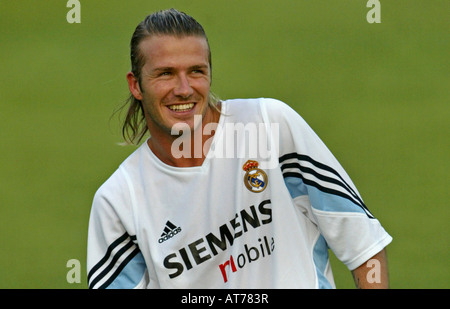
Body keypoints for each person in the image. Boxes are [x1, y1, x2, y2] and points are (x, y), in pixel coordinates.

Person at [87, 8, 392, 289]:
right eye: (165, 73)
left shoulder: (268, 127)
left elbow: (364, 246)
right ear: (136, 85)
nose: (183, 88)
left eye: (196, 71)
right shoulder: (119, 201)